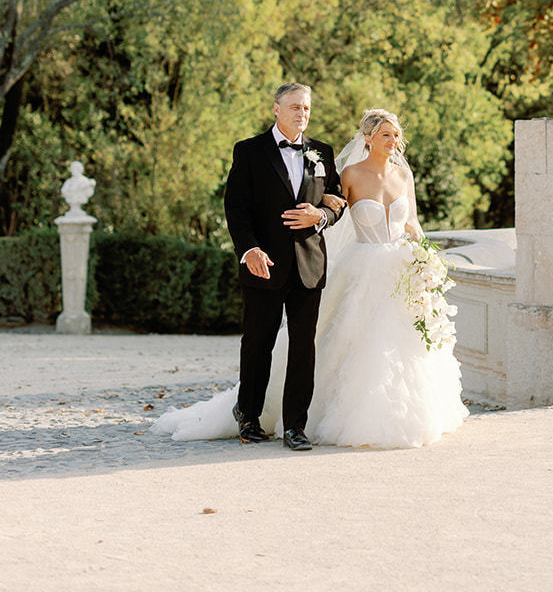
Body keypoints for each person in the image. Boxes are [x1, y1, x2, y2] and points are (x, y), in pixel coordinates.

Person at [153, 107, 467, 450]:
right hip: (361, 269)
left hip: (402, 269)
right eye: (385, 135)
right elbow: (330, 203)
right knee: (340, 341)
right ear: (367, 138)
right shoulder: (347, 172)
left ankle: (405, 414)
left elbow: (411, 223)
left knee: (399, 345)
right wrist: (320, 212)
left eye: (395, 135)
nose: (392, 141)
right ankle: (268, 415)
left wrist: (427, 259)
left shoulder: (403, 177)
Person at [221, 81, 344, 451]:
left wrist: (319, 216)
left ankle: (296, 427)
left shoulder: (322, 152)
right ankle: (249, 417)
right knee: (258, 344)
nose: (301, 114)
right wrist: (249, 250)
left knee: (303, 347)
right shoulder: (249, 151)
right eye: (294, 107)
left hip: (309, 264)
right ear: (276, 109)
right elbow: (236, 209)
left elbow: (338, 201)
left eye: (305, 108)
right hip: (264, 264)